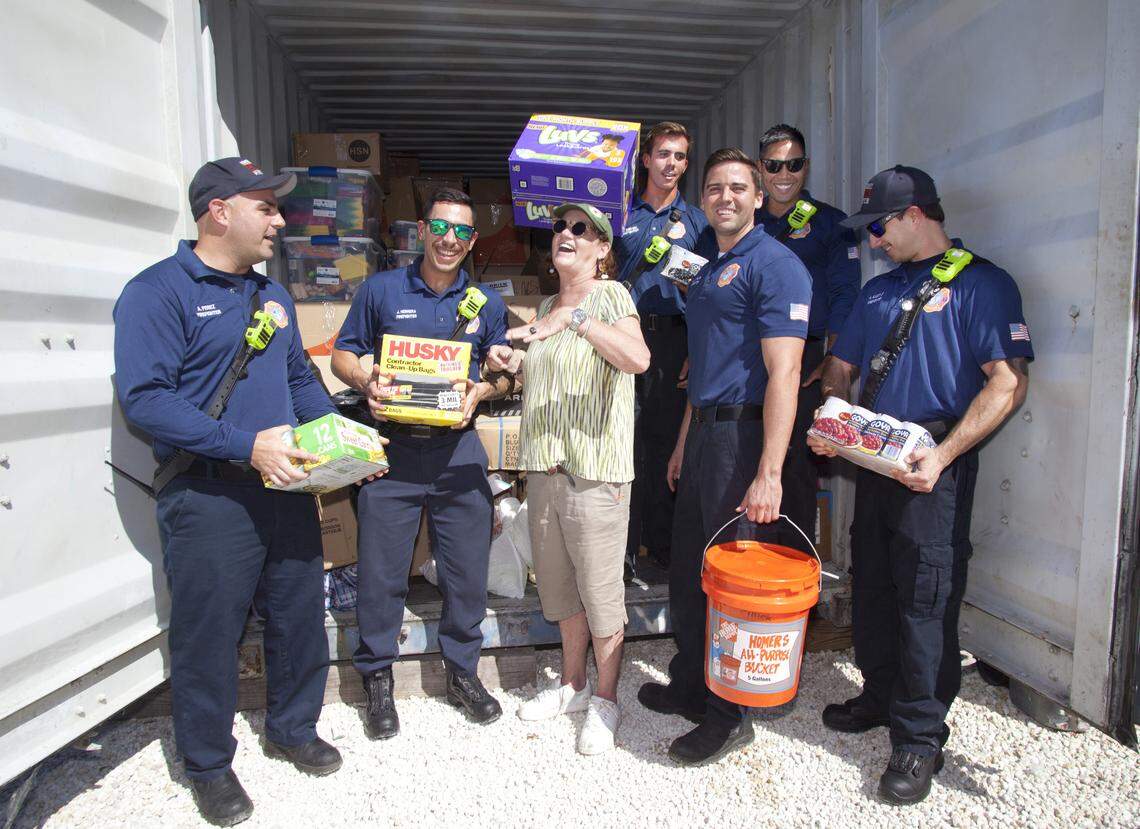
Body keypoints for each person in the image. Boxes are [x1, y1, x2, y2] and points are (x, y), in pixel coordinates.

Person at [113, 157, 347, 826]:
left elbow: (301, 379)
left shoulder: (270, 295)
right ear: (219, 211)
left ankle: (293, 727)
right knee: (208, 635)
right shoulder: (158, 292)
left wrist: (342, 441)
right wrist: (246, 446)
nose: (280, 219)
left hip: (287, 485)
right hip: (210, 496)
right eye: (266, 206)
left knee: (301, 615)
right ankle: (209, 763)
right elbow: (147, 400)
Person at [809, 165, 1032, 804]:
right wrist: (833, 415)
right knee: (875, 582)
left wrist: (943, 454)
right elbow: (839, 365)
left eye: (879, 227)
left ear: (914, 216)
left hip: (935, 458)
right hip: (875, 453)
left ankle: (919, 735)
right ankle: (879, 695)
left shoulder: (982, 284)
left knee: (924, 598)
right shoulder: (878, 293)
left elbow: (1008, 383)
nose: (873, 241)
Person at [638, 149, 811, 765]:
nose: (726, 197)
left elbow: (785, 372)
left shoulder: (776, 265)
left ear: (759, 196)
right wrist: (685, 441)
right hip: (707, 435)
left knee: (732, 581)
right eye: (715, 188)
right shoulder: (713, 267)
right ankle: (691, 683)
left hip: (744, 441)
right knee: (691, 569)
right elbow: (703, 367)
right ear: (701, 198)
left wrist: (769, 472)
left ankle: (727, 714)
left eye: (739, 187)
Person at [331, 187, 514, 738]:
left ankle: (462, 673)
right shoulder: (382, 290)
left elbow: (506, 370)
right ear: (420, 229)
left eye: (461, 231)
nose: (449, 240)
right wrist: (367, 379)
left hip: (458, 454)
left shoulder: (487, 302)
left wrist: (483, 390)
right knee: (382, 576)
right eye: (441, 228)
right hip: (393, 451)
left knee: (466, 574)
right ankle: (378, 679)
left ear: (472, 240)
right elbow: (343, 354)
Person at [488, 203, 649, 754]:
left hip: (595, 475)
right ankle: (573, 684)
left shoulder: (612, 298)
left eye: (582, 229)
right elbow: (533, 380)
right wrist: (508, 362)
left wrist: (577, 321)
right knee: (559, 591)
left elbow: (637, 358)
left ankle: (606, 700)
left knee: (602, 596)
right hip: (545, 471)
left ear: (602, 249)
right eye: (560, 226)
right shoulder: (547, 304)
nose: (567, 234)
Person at [755, 124, 861, 546]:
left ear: (807, 167)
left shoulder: (833, 224)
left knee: (796, 465)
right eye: (774, 164)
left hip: (806, 360)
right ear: (760, 169)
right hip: (750, 359)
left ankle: (793, 560)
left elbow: (844, 296)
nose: (785, 173)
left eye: (794, 164)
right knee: (747, 458)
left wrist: (833, 362)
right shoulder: (745, 219)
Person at [615, 122, 709, 576]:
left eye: (680, 157)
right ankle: (625, 551)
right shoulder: (618, 213)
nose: (671, 164)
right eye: (664, 154)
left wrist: (697, 347)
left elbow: (710, 293)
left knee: (669, 445)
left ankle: (665, 548)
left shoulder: (697, 222)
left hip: (675, 340)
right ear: (646, 160)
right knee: (624, 444)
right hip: (625, 338)